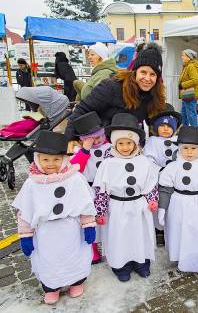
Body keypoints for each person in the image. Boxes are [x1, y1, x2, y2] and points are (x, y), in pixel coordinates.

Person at [13, 131, 96, 304]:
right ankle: (52, 286)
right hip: (46, 232)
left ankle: (77, 281)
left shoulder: (74, 178)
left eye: (56, 159)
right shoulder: (32, 183)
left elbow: (84, 204)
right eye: (46, 159)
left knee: (75, 256)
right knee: (49, 261)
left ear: (64, 159)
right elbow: (24, 212)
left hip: (70, 229)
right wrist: (25, 236)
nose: (51, 164)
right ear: (37, 159)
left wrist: (88, 224)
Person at [93, 113, 159, 282]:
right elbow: (101, 189)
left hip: (139, 205)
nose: (125, 147)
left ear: (135, 143)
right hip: (117, 207)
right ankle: (121, 265)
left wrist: (152, 199)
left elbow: (151, 183)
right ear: (114, 143)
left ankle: (141, 262)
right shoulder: (108, 164)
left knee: (140, 235)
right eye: (120, 143)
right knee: (120, 237)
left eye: (129, 143)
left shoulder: (144, 161)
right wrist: (100, 212)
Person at [64, 43, 166, 146]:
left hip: (129, 148)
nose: (147, 78)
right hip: (102, 145)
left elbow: (155, 123)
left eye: (152, 74)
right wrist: (70, 138)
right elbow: (83, 108)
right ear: (134, 72)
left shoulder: (154, 95)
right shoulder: (112, 86)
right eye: (143, 72)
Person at [157, 126, 198, 273]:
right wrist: (163, 208)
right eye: (185, 148)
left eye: (193, 148)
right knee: (180, 232)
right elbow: (165, 189)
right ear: (179, 149)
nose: (189, 152)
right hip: (179, 204)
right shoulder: (172, 167)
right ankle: (182, 257)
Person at [70, 111, 112, 264]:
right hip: (89, 190)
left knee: (108, 219)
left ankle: (111, 246)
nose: (96, 141)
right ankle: (92, 249)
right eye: (91, 139)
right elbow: (75, 168)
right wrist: (85, 150)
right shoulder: (80, 152)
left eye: (99, 136)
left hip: (108, 189)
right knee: (89, 219)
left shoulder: (111, 147)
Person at [143, 103, 182, 246]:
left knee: (172, 203)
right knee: (159, 203)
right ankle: (158, 229)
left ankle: (170, 228)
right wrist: (160, 170)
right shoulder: (153, 141)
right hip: (158, 179)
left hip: (175, 180)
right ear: (156, 127)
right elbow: (148, 159)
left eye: (169, 126)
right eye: (162, 126)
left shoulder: (179, 141)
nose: (166, 129)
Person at [179, 49, 198, 127]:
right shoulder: (187, 66)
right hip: (187, 94)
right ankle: (185, 129)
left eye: (183, 55)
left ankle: (195, 131)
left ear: (189, 57)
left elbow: (195, 80)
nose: (182, 57)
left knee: (191, 114)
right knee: (184, 113)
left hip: (190, 94)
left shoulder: (191, 66)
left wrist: (183, 85)